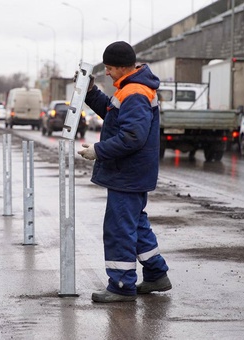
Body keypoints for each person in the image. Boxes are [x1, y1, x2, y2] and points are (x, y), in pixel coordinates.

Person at [77, 41, 171, 303]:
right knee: (136, 226)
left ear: (120, 67)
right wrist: (91, 92)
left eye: (108, 68)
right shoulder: (131, 88)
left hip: (128, 174)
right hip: (133, 174)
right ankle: (156, 274)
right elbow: (114, 116)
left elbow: (132, 136)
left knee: (119, 228)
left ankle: (121, 285)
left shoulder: (135, 92)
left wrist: (99, 150)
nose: (106, 72)